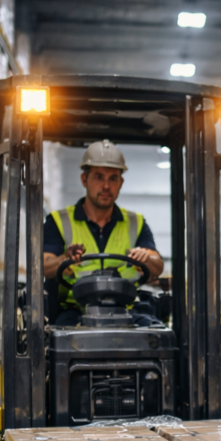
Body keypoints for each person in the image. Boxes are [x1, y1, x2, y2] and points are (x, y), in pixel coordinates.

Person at [43, 139, 165, 326]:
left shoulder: (136, 223)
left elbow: (157, 266)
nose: (106, 186)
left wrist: (146, 258)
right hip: (75, 310)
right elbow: (42, 266)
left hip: (126, 310)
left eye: (113, 179)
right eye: (99, 177)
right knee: (58, 339)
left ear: (121, 182)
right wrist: (64, 260)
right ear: (84, 179)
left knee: (159, 336)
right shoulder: (59, 222)